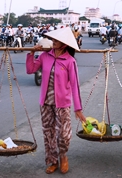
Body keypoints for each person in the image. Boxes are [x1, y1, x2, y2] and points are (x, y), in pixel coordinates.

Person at [26, 27, 86, 174]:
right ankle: (53, 161)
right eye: (53, 39)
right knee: (49, 133)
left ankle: (63, 155)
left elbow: (74, 85)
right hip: (46, 102)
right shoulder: (45, 56)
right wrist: (32, 53)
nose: (53, 41)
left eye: (57, 40)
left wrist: (78, 109)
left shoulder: (70, 61)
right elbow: (31, 69)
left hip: (62, 103)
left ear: (64, 44)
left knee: (64, 135)